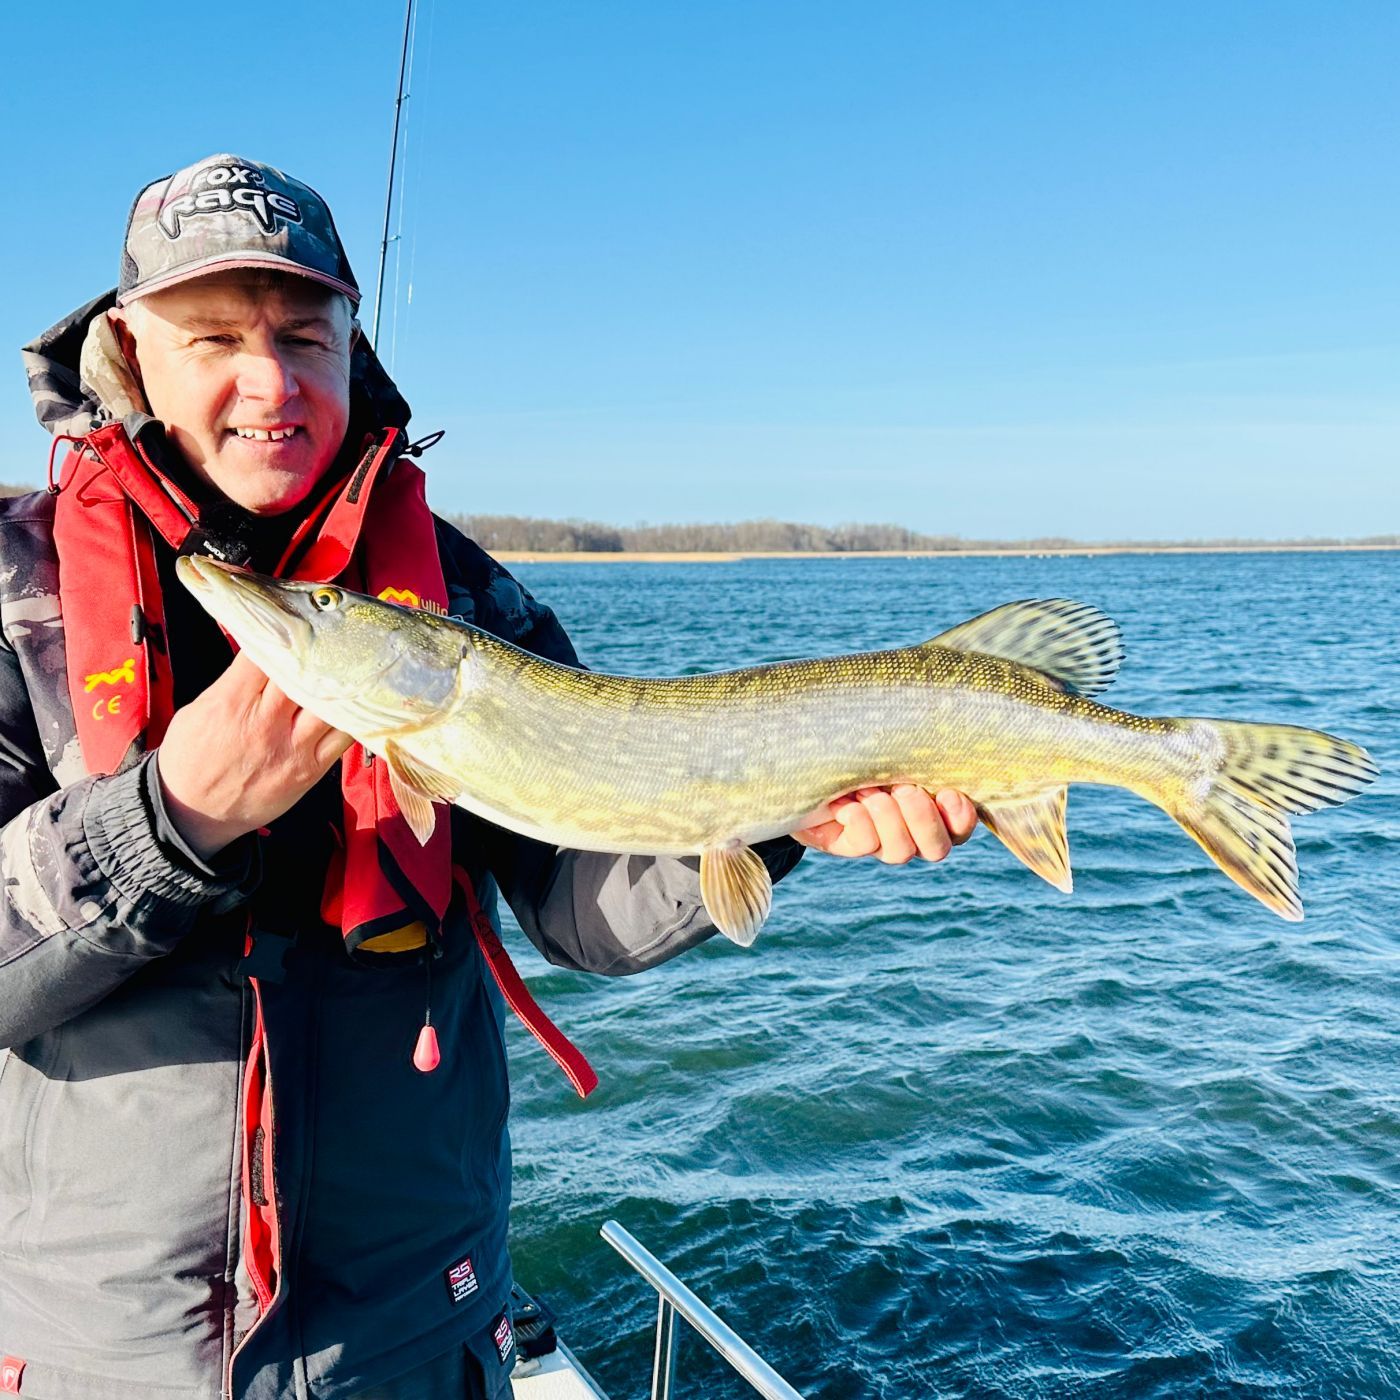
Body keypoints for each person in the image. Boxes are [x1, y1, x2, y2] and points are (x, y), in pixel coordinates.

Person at [2, 154, 976, 1400]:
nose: (269, 381)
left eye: (305, 332)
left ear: (353, 341)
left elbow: (586, 906)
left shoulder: (469, 603)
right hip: (97, 1353)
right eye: (212, 338)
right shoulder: (11, 592)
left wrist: (780, 814)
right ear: (130, 347)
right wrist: (166, 821)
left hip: (416, 1329)